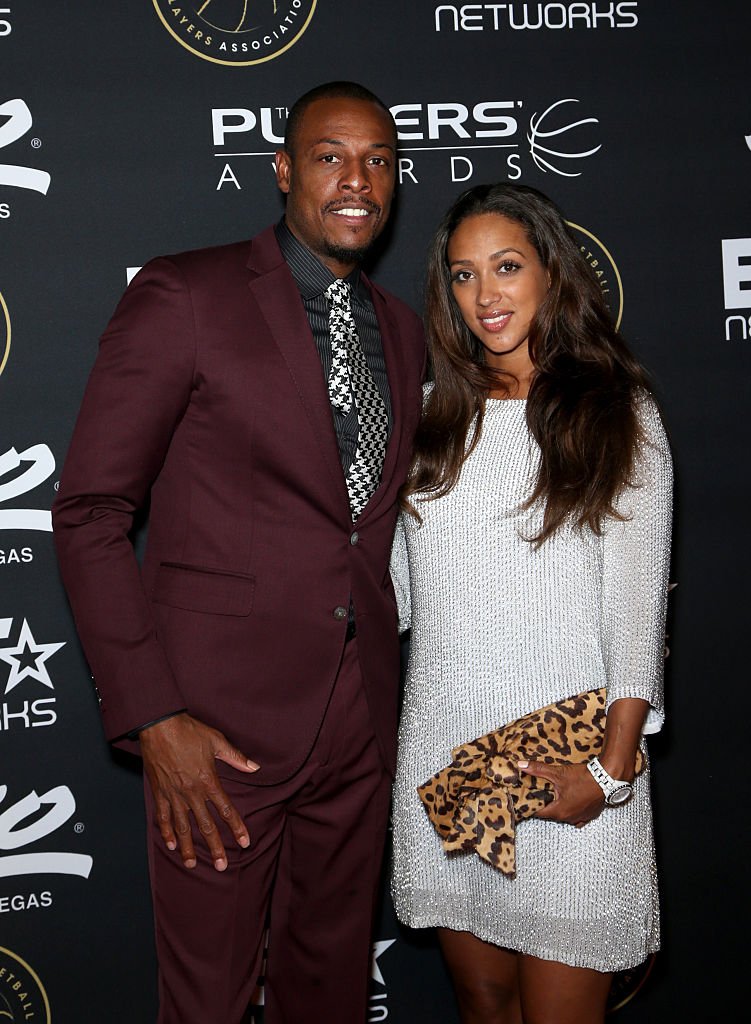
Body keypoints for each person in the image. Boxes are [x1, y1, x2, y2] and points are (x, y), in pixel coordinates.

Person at [53, 81, 425, 1024]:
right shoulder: (186, 292)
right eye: (331, 156)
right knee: (209, 1003)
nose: (357, 180)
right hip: (214, 737)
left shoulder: (404, 330)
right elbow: (91, 510)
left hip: (357, 725)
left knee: (329, 994)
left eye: (378, 160)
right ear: (281, 170)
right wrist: (155, 715)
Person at [389, 182, 672, 1024]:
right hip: (444, 755)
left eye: (506, 268)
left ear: (551, 270)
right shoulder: (433, 420)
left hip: (567, 763)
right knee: (483, 1004)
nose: (485, 296)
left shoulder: (617, 415)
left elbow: (635, 617)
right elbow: (398, 598)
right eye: (464, 275)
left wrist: (606, 774)